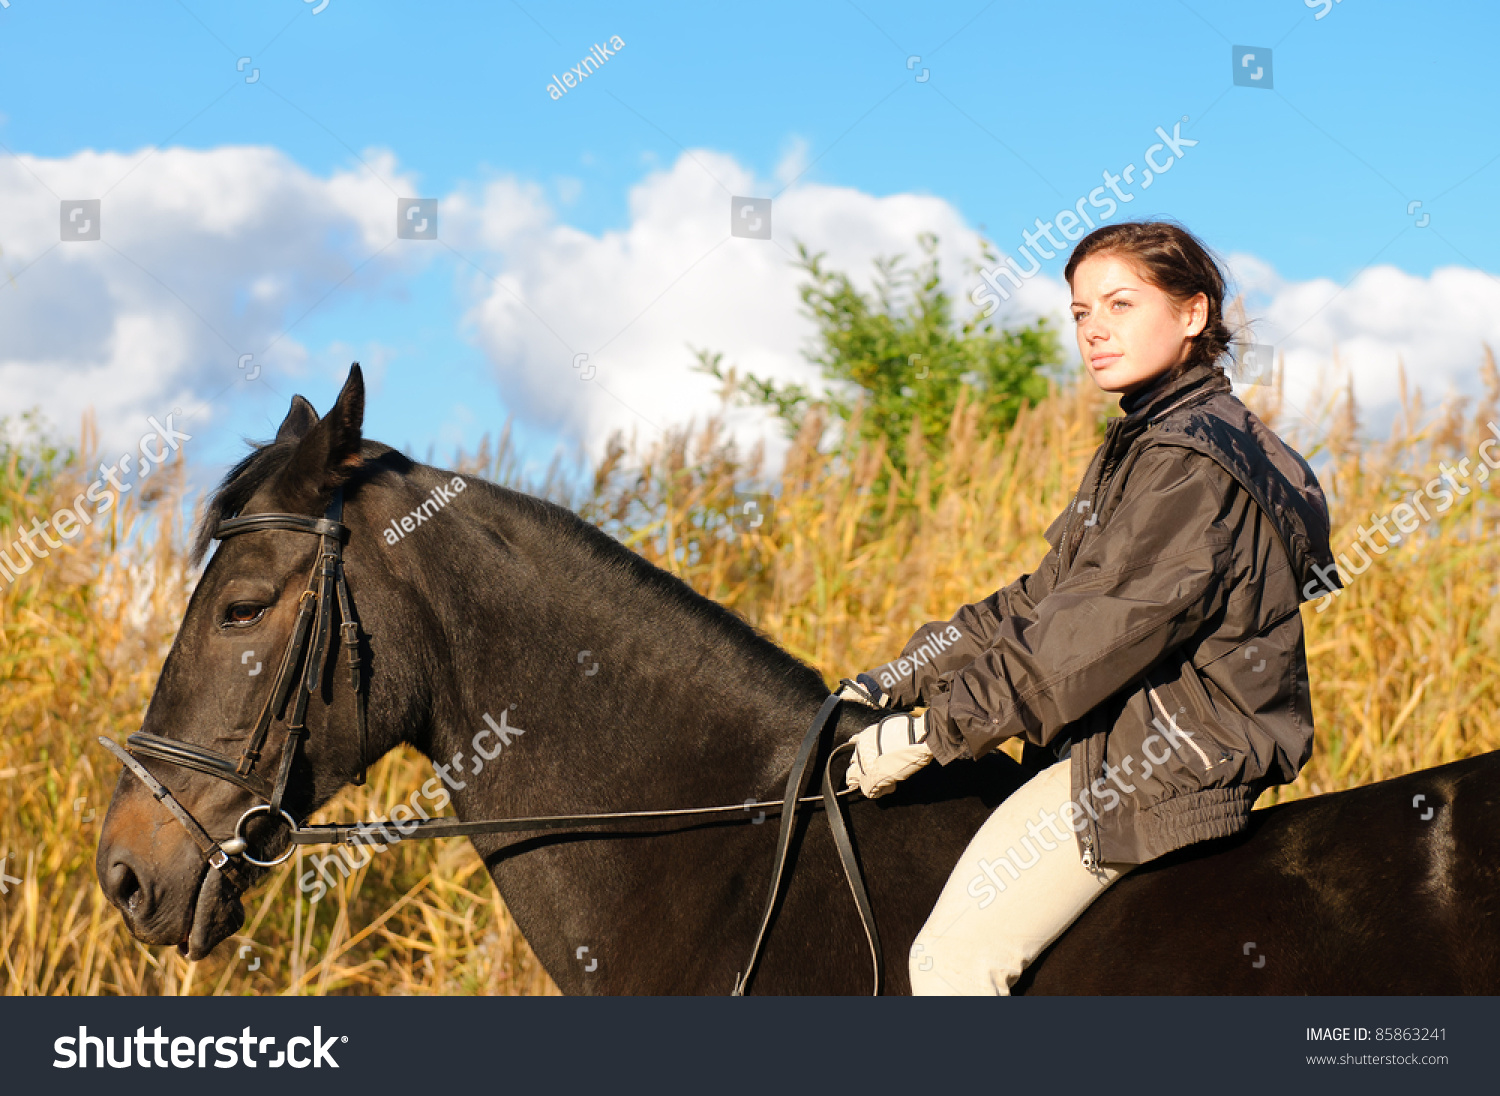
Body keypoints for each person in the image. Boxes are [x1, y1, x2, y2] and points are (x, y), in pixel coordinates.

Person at [838, 220, 1342, 995]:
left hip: (1162, 751)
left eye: (1120, 304)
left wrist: (938, 730)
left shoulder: (1189, 458)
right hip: (1122, 731)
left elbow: (1096, 636)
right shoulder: (1149, 439)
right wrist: (898, 678)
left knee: (949, 963)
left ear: (1193, 314)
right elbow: (1042, 602)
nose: (1095, 330)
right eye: (1080, 313)